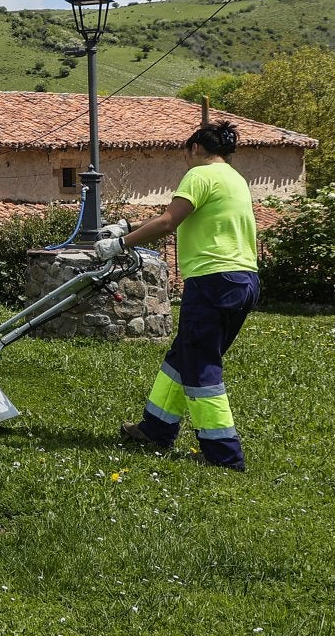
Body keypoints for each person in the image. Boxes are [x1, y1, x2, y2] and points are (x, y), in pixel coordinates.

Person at [95, 120, 259, 471]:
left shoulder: (199, 175)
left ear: (196, 148)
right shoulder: (233, 178)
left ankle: (224, 455)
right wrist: (127, 226)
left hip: (213, 281)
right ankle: (156, 429)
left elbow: (169, 222)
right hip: (242, 279)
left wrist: (119, 244)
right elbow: (183, 217)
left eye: (187, 152)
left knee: (200, 367)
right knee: (183, 355)